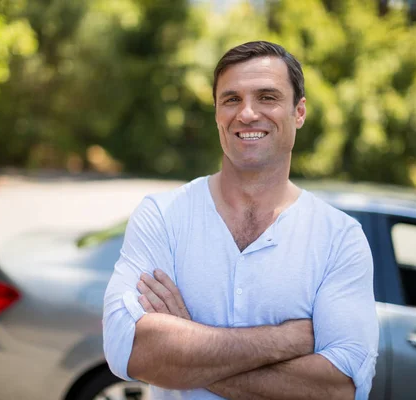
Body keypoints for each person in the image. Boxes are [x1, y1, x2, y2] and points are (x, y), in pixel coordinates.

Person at [103, 41, 379, 400]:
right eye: (231, 99)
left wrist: (187, 347)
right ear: (216, 112)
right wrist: (283, 340)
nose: (247, 114)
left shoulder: (339, 238)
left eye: (267, 97)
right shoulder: (163, 215)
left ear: (299, 112)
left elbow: (338, 388)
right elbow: (130, 349)